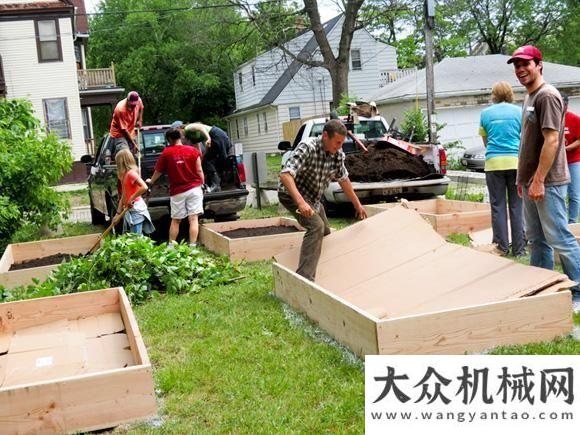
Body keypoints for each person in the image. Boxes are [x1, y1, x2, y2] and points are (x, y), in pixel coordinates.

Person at [508, 45, 580, 298]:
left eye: (525, 63)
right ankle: (543, 292)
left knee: (559, 238)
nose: (520, 69)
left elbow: (552, 141)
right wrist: (523, 178)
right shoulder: (529, 96)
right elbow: (528, 142)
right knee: (537, 240)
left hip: (548, 181)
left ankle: (578, 293)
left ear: (539, 65)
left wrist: (538, 180)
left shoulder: (547, 96)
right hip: (531, 181)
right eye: (516, 65)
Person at [278, 119, 367, 281]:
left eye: (342, 143)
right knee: (316, 227)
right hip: (290, 194)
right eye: (337, 142)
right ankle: (304, 279)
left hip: (312, 199)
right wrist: (301, 203)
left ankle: (325, 268)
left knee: (326, 232)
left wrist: (358, 205)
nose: (339, 147)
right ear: (325, 135)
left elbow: (344, 180)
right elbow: (285, 175)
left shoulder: (337, 155)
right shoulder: (308, 147)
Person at [479, 81, 525, 256]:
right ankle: (519, 249)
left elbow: (485, 142)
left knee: (498, 206)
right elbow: (524, 138)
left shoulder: (485, 113)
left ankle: (501, 247)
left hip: (493, 164)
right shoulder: (519, 112)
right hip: (515, 163)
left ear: (494, 94)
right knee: (517, 206)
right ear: (511, 93)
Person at [146, 128, 204, 247]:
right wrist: (202, 184)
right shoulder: (193, 151)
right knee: (193, 219)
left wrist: (151, 181)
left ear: (169, 139)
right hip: (194, 189)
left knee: (176, 220)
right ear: (180, 137)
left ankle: (171, 246)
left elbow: (158, 171)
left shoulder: (167, 152)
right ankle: (193, 246)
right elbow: (199, 170)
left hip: (178, 192)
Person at [184, 123, 233, 192]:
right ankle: (217, 183)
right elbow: (199, 152)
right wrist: (201, 161)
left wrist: (208, 138)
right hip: (216, 137)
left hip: (216, 135)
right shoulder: (193, 138)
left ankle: (217, 184)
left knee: (220, 159)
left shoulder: (188, 128)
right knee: (208, 161)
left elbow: (201, 127)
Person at [115, 149, 154, 235]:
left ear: (121, 162)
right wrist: (117, 214)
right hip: (129, 209)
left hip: (136, 208)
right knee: (135, 237)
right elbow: (123, 196)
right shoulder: (123, 176)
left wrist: (132, 198)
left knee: (136, 238)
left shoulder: (131, 174)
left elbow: (144, 187)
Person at [561, 93, 580, 223]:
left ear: (566, 105)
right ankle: (560, 223)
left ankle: (572, 222)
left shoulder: (574, 119)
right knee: (559, 195)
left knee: (574, 194)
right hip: (557, 162)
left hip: (573, 160)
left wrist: (566, 149)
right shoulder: (551, 118)